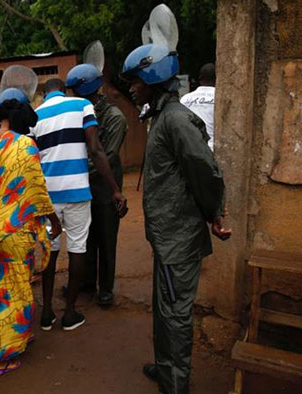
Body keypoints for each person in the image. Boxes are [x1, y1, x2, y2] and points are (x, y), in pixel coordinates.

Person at [120, 44, 231, 394]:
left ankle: (176, 382)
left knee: (175, 313)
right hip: (167, 236)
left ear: (153, 79)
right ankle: (166, 368)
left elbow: (205, 171)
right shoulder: (164, 117)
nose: (132, 89)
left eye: (136, 81)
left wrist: (215, 213)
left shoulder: (178, 120)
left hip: (177, 238)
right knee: (165, 307)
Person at [0, 93, 61, 378]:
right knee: (17, 292)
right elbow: (37, 191)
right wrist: (54, 222)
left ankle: (19, 336)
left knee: (0, 290)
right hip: (14, 230)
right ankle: (0, 356)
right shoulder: (25, 146)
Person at [30, 77, 127, 332]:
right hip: (77, 192)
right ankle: (70, 312)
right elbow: (95, 149)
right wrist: (115, 189)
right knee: (77, 248)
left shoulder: (35, 116)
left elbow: (32, 159)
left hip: (48, 197)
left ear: (44, 94)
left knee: (49, 251)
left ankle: (47, 312)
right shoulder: (82, 105)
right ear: (64, 91)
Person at [66, 64, 128, 306]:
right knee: (87, 236)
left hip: (106, 186)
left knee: (106, 237)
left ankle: (106, 288)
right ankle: (87, 282)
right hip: (85, 186)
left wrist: (77, 174)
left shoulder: (114, 118)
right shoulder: (79, 112)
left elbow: (107, 156)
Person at [180, 63, 215, 151]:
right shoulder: (221, 99)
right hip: (212, 149)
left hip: (188, 149)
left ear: (200, 79)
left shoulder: (184, 99)